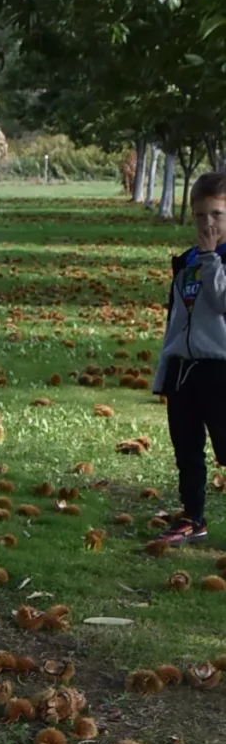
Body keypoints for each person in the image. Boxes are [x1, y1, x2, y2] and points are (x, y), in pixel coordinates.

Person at [151, 170, 226, 545]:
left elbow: (221, 301)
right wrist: (165, 367)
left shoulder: (214, 259)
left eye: (217, 214)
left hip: (220, 368)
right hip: (183, 369)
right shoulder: (185, 262)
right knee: (187, 449)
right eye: (200, 215)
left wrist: (212, 258)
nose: (207, 223)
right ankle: (193, 517)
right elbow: (176, 320)